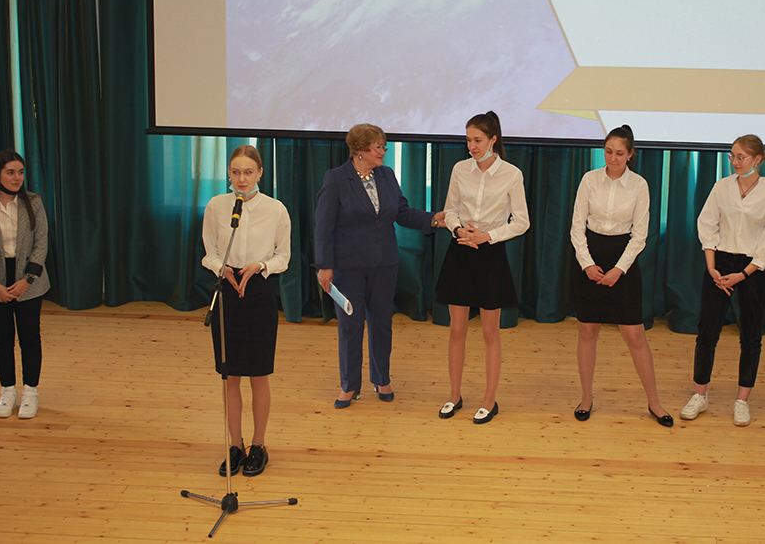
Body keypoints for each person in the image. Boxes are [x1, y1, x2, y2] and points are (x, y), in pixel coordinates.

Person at [315, 124, 444, 409]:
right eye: (378, 147)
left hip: (384, 263)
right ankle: (350, 385)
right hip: (347, 267)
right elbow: (323, 225)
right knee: (350, 327)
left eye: (384, 146)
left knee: (382, 323)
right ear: (360, 150)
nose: (383, 152)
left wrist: (434, 219)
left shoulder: (386, 175)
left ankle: (381, 378)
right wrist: (324, 266)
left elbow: (402, 213)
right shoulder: (336, 178)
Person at [570, 126, 672, 427]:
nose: (612, 158)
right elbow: (577, 227)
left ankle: (654, 402)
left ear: (630, 155)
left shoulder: (639, 185)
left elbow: (640, 235)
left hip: (623, 261)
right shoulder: (589, 180)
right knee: (587, 330)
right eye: (608, 152)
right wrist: (587, 264)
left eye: (619, 153)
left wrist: (619, 269)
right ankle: (586, 398)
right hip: (590, 257)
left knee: (634, 335)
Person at [680, 135, 765, 427]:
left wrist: (743, 274)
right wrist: (712, 267)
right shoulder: (721, 187)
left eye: (741, 157)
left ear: (758, 159)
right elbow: (707, 224)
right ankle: (699, 394)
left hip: (752, 268)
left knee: (750, 335)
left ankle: (742, 400)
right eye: (732, 156)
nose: (735, 162)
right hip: (719, 263)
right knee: (707, 331)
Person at [202, 145, 291, 477]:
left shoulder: (276, 209)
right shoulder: (216, 206)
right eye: (236, 172)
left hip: (259, 289)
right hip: (227, 288)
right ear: (229, 173)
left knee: (258, 374)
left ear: (260, 173)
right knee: (230, 375)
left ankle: (258, 445)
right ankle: (235, 445)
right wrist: (220, 267)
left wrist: (261, 266)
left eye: (248, 172)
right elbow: (209, 251)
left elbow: (284, 257)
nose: (241, 179)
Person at [435, 111, 529, 424]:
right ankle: (454, 396)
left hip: (490, 253)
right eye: (468, 140)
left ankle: (489, 400)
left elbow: (522, 222)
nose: (472, 146)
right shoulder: (460, 169)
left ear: (493, 140)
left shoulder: (511, 174)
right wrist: (457, 229)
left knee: (490, 332)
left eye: (477, 140)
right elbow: (449, 211)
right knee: (457, 329)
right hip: (461, 249)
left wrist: (488, 235)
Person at [0, 150, 50, 420]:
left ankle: (30, 391)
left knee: (29, 337)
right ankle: (7, 391)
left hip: (28, 280)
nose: (17, 178)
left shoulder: (34, 202)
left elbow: (41, 243)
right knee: (2, 338)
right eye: (10, 172)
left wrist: (27, 280)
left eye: (20, 172)